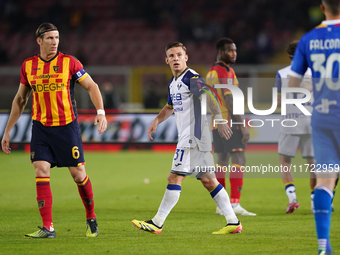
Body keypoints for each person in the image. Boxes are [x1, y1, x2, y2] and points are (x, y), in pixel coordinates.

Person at [1, 23, 107, 238]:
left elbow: (92, 86)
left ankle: (91, 217)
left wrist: (101, 111)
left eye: (57, 37)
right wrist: (7, 131)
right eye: (49, 38)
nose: (55, 42)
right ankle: (48, 227)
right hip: (40, 127)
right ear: (39, 40)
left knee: (78, 175)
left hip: (67, 126)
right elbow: (21, 99)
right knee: (41, 170)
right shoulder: (28, 66)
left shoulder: (69, 63)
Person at [132, 42, 242, 234]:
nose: (176, 59)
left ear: (186, 57)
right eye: (172, 56)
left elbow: (210, 92)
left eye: (179, 55)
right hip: (197, 138)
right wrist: (156, 121)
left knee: (174, 177)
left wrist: (219, 119)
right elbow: (169, 107)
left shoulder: (191, 77)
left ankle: (157, 222)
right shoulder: (173, 83)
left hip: (193, 137)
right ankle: (233, 222)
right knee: (209, 181)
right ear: (166, 60)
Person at [288, 1, 340, 254]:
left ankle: (323, 247)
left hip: (321, 118)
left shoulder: (308, 39)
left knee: (325, 182)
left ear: (322, 7)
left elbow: (294, 85)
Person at [206, 38, 256, 216]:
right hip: (229, 121)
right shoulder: (225, 70)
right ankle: (234, 204)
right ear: (221, 52)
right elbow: (229, 98)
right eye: (229, 51)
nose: (234, 54)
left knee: (222, 160)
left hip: (216, 121)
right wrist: (242, 125)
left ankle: (221, 205)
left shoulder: (211, 71)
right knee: (239, 158)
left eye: (235, 50)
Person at [275, 41, 316, 214]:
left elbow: (278, 102)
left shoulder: (282, 73)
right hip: (311, 121)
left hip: (291, 121)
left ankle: (292, 198)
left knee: (284, 161)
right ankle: (315, 202)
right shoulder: (314, 72)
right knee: (312, 163)